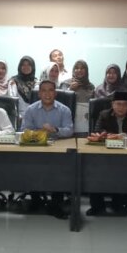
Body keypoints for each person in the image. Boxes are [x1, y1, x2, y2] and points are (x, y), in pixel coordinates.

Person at [89, 90, 127, 215]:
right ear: (112, 104)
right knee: (95, 172)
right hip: (106, 154)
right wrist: (110, 135)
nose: (121, 107)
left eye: (125, 104)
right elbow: (97, 131)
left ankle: (119, 202)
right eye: (118, 104)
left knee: (126, 172)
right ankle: (97, 206)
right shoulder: (104, 114)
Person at [21, 79, 74, 218]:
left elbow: (69, 130)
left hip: (58, 150)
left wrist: (55, 130)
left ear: (55, 93)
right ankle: (35, 200)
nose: (47, 94)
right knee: (31, 167)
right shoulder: (31, 110)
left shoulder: (64, 110)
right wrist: (41, 132)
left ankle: (56, 204)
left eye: (50, 90)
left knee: (60, 169)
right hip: (36, 149)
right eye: (43, 91)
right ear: (39, 93)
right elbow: (24, 130)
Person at [61, 59, 95, 134]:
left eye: (82, 68)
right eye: (77, 68)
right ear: (73, 70)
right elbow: (61, 101)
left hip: (86, 119)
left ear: (86, 71)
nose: (79, 70)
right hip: (70, 117)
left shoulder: (90, 86)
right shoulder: (66, 83)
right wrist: (70, 89)